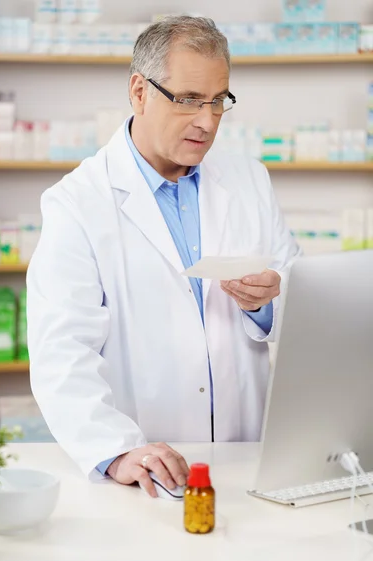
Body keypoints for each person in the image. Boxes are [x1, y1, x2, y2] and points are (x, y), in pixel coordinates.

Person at [27, 16, 301, 498]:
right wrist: (115, 450)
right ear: (139, 91)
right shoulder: (78, 203)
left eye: (219, 101)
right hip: (148, 474)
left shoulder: (249, 179)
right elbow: (61, 352)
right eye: (189, 100)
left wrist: (266, 303)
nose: (208, 120)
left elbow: (297, 292)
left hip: (246, 461)